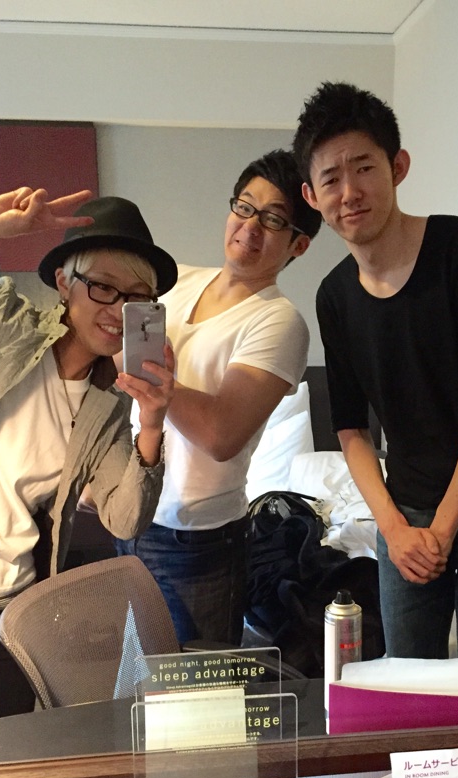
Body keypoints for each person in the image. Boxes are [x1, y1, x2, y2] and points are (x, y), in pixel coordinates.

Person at [292, 82, 458, 659]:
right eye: (331, 178)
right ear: (312, 194)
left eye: (365, 168)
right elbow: (351, 428)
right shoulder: (335, 295)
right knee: (406, 682)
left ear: (398, 166)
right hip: (405, 515)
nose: (350, 192)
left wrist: (443, 529)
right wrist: (394, 529)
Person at [0, 187, 177, 722]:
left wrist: (152, 422)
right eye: (103, 286)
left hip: (10, 609)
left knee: (11, 758)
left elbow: (125, 519)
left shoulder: (109, 401)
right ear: (63, 282)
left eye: (136, 297)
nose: (117, 310)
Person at [117, 149, 322, 645]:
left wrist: (161, 384)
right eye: (245, 207)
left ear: (298, 245)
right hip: (132, 513)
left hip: (197, 540)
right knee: (137, 675)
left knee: (200, 685)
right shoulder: (176, 281)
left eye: (273, 219)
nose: (250, 227)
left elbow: (221, 434)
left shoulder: (279, 322)